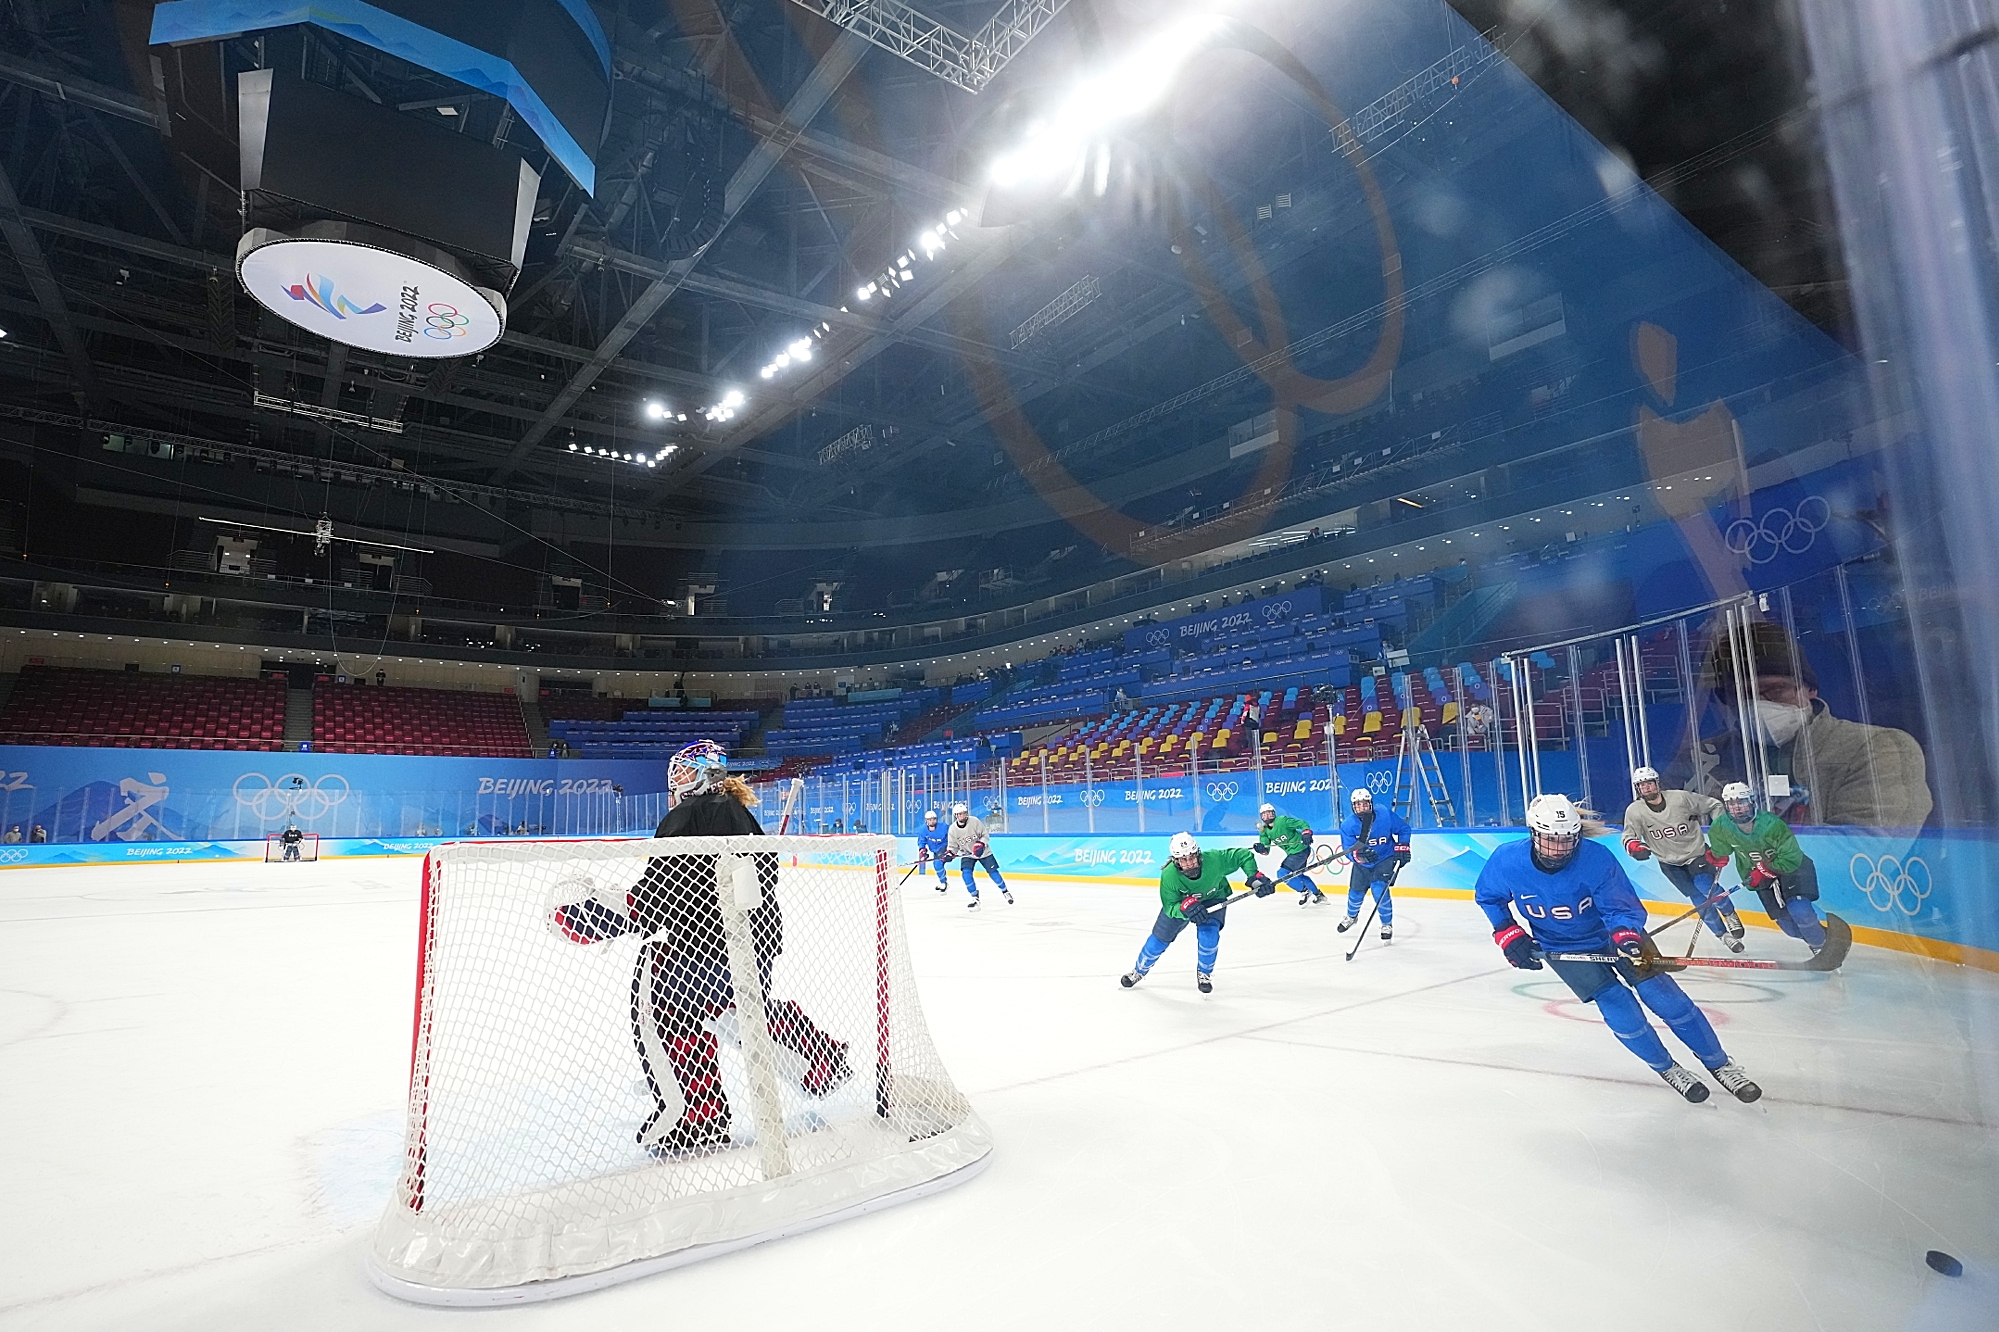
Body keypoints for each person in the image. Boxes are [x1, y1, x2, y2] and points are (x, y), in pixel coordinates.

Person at [547, 740, 851, 1157]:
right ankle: (819, 1061)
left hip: (703, 947)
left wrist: (593, 915)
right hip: (751, 941)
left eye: (683, 772)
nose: (676, 781)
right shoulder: (739, 812)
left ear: (705, 774)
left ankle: (692, 1116)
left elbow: (656, 900)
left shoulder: (689, 814)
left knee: (664, 1010)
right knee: (737, 1011)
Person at [1478, 794, 1762, 1104]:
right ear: (1533, 834)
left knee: (1665, 996)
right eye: (1551, 840)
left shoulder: (1595, 858)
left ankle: (1720, 1064)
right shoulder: (1507, 860)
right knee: (1618, 1005)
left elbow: (1620, 906)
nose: (1559, 848)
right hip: (1563, 946)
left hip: (1614, 935)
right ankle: (1667, 1068)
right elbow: (1489, 896)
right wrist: (1508, 932)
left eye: (1567, 839)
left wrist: (1626, 934)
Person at [1684, 619, 1931, 827]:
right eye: (1744, 696)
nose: (1759, 704)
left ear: (1810, 689)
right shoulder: (1702, 759)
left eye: (1775, 690)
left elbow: (1860, 850)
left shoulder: (1878, 748)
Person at [1120, 831, 1274, 994]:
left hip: (1213, 897)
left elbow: (1243, 855)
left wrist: (1254, 876)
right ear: (1175, 860)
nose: (1190, 863)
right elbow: (1170, 906)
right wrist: (1185, 907)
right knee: (1158, 940)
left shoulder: (1214, 860)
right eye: (1183, 860)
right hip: (1181, 904)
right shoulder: (1169, 875)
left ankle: (1204, 973)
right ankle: (1138, 971)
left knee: (1209, 936)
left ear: (1198, 854)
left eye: (1192, 857)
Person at [1619, 766, 1744, 952]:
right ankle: (1723, 935)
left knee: (1705, 886)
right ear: (1638, 789)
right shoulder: (1635, 811)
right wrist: (1635, 847)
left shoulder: (1680, 799)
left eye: (1649, 783)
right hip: (1669, 863)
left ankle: (1729, 912)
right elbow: (1629, 836)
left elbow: (1714, 805)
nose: (1646, 788)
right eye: (1642, 785)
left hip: (1697, 854)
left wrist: (1721, 833)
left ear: (1657, 783)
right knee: (1697, 899)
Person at [1707, 781, 1829, 951]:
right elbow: (1723, 850)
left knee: (1799, 910)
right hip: (1760, 878)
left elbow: (1791, 857)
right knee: (1789, 928)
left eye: (1742, 802)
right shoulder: (1720, 826)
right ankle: (1822, 937)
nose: (1737, 808)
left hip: (1792, 869)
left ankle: (1821, 946)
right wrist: (1716, 856)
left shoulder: (1771, 824)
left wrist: (1765, 869)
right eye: (1731, 804)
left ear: (1751, 801)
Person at [1338, 789, 1409, 941]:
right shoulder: (1348, 825)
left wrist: (1403, 845)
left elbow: (1403, 829)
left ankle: (1386, 924)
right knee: (1355, 893)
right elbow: (1348, 849)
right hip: (1362, 864)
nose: (1362, 808)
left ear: (1371, 804)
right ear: (1353, 806)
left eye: (1365, 804)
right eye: (1358, 805)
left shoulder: (1384, 815)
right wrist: (1358, 856)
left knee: (1379, 890)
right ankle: (1351, 917)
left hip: (1385, 858)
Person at [1254, 801, 1324, 905]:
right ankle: (1319, 895)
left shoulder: (1282, 821)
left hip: (1300, 850)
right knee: (1298, 876)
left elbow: (1302, 823)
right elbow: (1266, 850)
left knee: (1282, 873)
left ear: (1274, 814)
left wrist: (1306, 833)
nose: (1267, 816)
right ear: (1261, 817)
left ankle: (1305, 891)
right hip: (1296, 852)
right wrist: (1261, 849)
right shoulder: (1264, 831)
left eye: (1269, 813)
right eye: (1264, 814)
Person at [945, 802, 1011, 910]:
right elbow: (953, 846)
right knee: (966, 874)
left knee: (993, 872)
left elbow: (985, 835)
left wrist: (980, 844)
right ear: (955, 815)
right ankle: (975, 897)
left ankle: (1005, 891)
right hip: (967, 854)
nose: (962, 816)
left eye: (963, 813)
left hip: (984, 852)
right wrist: (949, 853)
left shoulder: (974, 821)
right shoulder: (953, 829)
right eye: (959, 814)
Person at [914, 808, 951, 892]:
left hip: (944, 847)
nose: (932, 821)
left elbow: (953, 834)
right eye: (930, 820)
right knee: (936, 865)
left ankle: (943, 883)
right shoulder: (923, 830)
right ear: (926, 821)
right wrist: (922, 850)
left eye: (934, 819)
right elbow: (921, 841)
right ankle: (943, 882)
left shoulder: (944, 827)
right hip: (934, 850)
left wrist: (952, 848)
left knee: (937, 863)